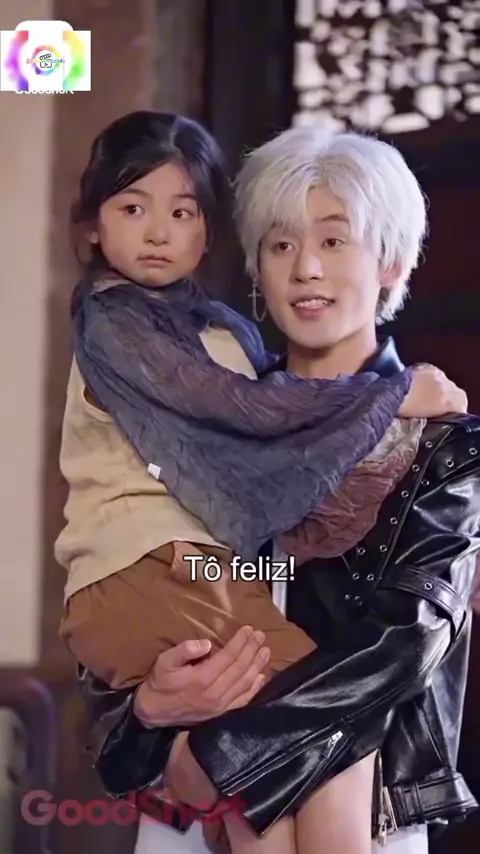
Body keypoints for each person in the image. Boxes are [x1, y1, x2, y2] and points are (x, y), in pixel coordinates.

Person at [55, 115, 474, 854]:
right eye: (281, 245)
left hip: (353, 810)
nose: (305, 268)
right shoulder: (202, 420)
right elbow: (128, 605)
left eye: (334, 241)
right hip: (186, 813)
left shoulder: (446, 441)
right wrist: (149, 715)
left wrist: (217, 755)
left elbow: (403, 643)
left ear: (391, 263)